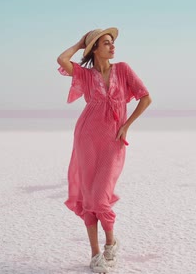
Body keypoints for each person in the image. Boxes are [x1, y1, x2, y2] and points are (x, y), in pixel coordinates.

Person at [56, 27, 152, 273]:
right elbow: (62, 60)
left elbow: (146, 98)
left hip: (113, 139)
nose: (112, 46)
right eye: (106, 43)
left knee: (100, 198)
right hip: (86, 138)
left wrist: (126, 126)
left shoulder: (123, 69)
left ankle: (110, 244)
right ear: (95, 49)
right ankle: (96, 254)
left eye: (112, 43)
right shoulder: (86, 76)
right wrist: (80, 43)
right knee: (89, 200)